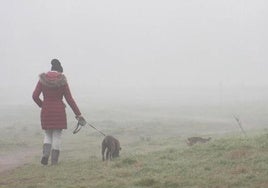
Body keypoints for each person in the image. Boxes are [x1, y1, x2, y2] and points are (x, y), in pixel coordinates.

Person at [32, 59, 84, 165]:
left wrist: (43, 105)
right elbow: (69, 99)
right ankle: (54, 162)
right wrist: (78, 114)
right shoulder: (62, 80)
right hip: (59, 111)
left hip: (46, 111)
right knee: (57, 135)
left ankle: (45, 155)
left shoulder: (42, 79)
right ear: (60, 71)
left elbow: (35, 96)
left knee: (47, 134)